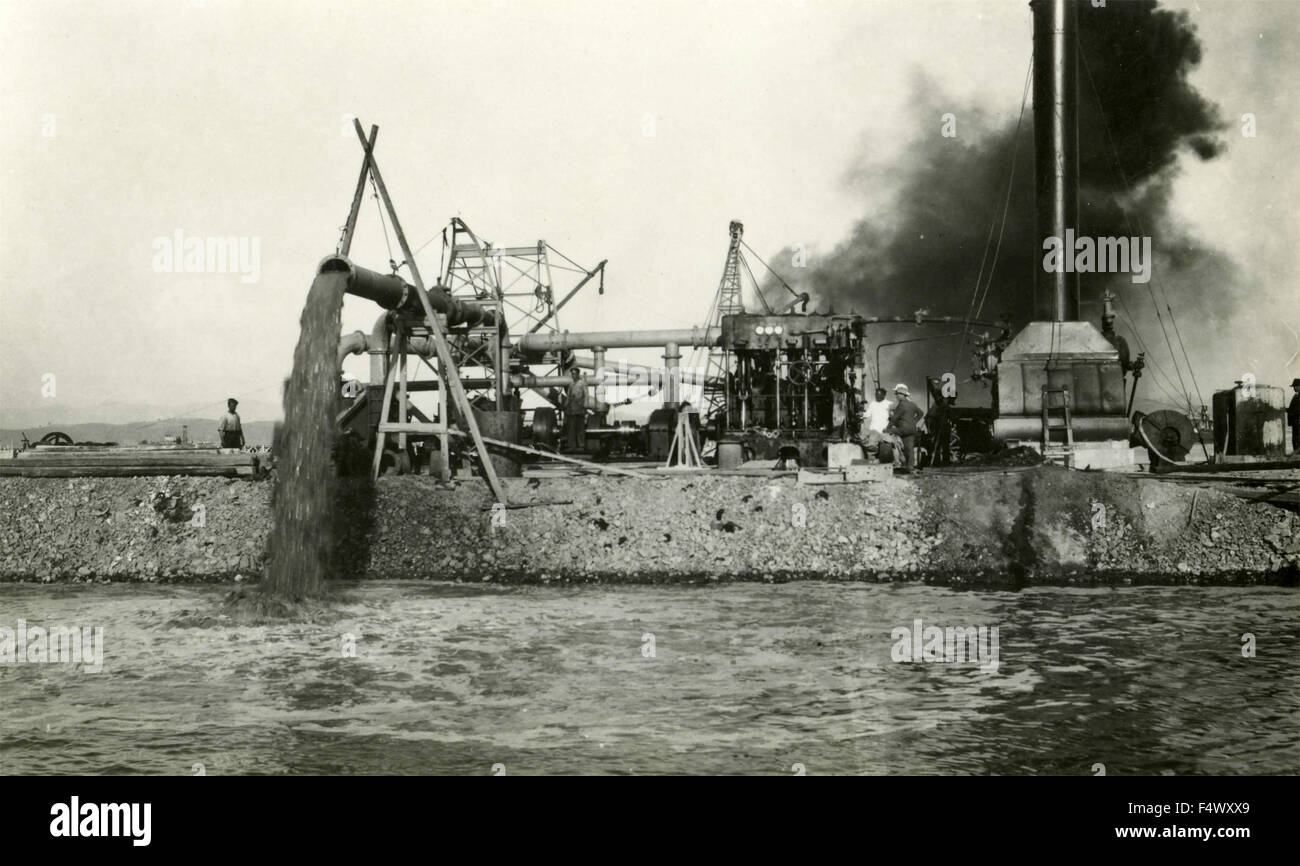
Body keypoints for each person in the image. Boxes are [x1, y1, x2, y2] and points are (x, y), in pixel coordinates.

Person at [884, 383, 925, 473]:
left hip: (903, 429)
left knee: (888, 436)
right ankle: (910, 468)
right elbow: (921, 413)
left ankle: (895, 461)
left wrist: (887, 428)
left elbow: (895, 418)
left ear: (902, 395)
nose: (896, 396)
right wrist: (914, 421)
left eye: (897, 394)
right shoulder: (912, 404)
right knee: (909, 448)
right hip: (912, 429)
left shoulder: (901, 405)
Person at [562, 367, 588, 452]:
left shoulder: (582, 383)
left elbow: (586, 395)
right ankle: (572, 446)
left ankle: (581, 446)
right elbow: (569, 397)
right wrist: (565, 406)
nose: (573, 375)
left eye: (574, 373)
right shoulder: (571, 384)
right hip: (571, 410)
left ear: (578, 374)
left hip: (580, 409)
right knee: (571, 429)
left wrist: (585, 406)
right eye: (572, 374)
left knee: (580, 429)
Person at [1289, 378, 1300, 453]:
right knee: (1295, 439)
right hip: (1295, 422)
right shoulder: (1296, 396)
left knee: (1297, 440)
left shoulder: (1297, 396)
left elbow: (1297, 410)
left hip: (1298, 422)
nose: (1294, 388)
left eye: (1295, 386)